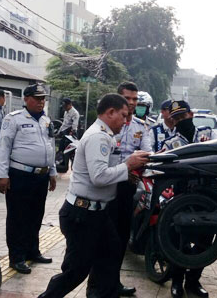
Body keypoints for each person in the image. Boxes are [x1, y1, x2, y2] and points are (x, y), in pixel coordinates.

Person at [38, 94, 149, 298]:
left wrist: (127, 172)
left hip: (96, 213)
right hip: (82, 214)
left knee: (111, 254)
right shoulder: (99, 136)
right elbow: (99, 177)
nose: (126, 122)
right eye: (123, 116)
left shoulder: (105, 134)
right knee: (76, 271)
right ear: (110, 112)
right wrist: (127, 165)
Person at [87, 82, 151, 297]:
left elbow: (146, 154)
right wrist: (126, 166)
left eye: (135, 99)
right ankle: (95, 285)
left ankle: (113, 282)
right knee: (100, 238)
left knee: (121, 238)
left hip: (127, 187)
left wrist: (134, 169)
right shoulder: (105, 125)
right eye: (128, 98)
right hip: (104, 186)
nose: (132, 103)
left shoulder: (141, 126)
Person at [0, 84, 57, 275]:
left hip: (41, 176)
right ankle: (17, 257)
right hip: (20, 175)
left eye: (43, 99)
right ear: (26, 99)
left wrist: (53, 172)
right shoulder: (13, 119)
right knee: (18, 217)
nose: (41, 102)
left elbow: (50, 146)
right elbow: (4, 147)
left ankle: (33, 250)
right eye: (37, 98)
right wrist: (2, 175)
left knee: (36, 215)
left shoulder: (46, 121)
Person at [161, 100, 214, 298]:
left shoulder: (209, 135)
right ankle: (177, 282)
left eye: (183, 116)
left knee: (205, 241)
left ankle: (194, 281)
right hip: (181, 197)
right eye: (176, 118)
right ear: (172, 121)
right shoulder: (169, 143)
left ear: (191, 115)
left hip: (207, 195)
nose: (180, 120)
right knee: (179, 241)